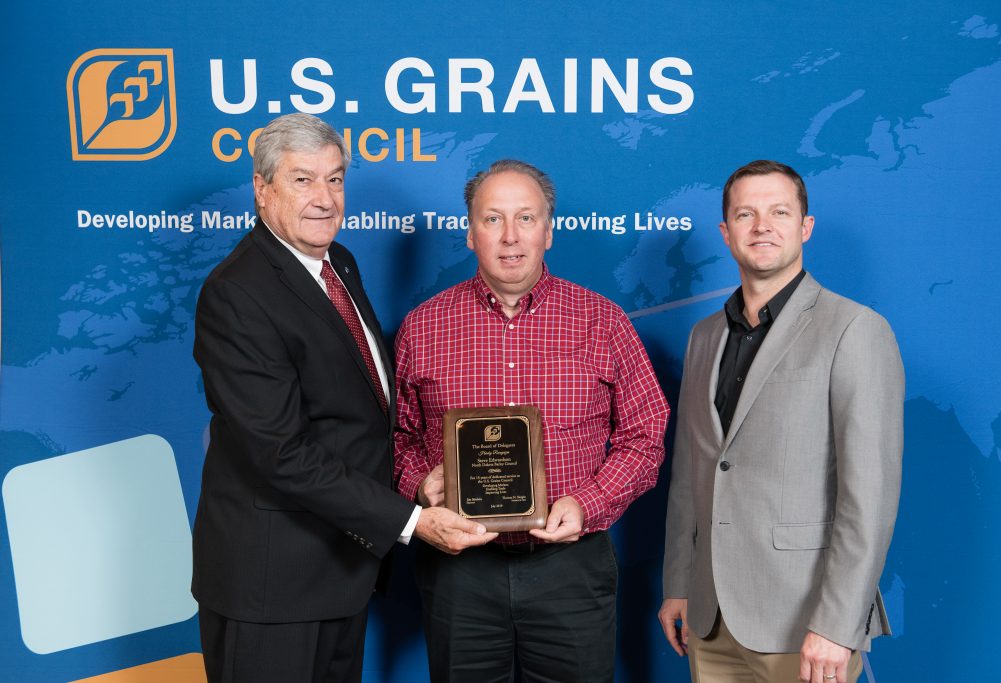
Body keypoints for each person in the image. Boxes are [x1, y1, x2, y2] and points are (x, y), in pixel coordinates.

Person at [191, 113, 495, 683]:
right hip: (272, 585)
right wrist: (411, 520)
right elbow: (280, 452)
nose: (325, 198)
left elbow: (358, 414)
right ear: (262, 189)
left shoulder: (336, 262)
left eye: (335, 179)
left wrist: (421, 480)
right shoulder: (237, 294)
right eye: (302, 179)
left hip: (338, 571)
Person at [393, 159, 669, 682]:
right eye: (493, 219)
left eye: (526, 217)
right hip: (459, 569)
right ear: (470, 233)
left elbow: (645, 435)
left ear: (549, 229)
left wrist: (587, 503)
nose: (511, 236)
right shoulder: (423, 327)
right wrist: (417, 482)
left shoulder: (603, 321)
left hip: (570, 566)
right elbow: (397, 438)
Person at [658, 160, 903, 683]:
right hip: (711, 619)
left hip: (804, 625)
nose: (762, 226)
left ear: (804, 227)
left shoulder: (855, 329)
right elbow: (691, 476)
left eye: (778, 212)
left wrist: (838, 625)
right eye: (745, 214)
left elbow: (870, 497)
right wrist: (679, 583)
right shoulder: (704, 336)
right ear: (726, 233)